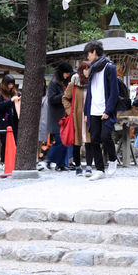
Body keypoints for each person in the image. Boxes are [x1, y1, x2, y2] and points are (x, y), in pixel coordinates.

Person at [82, 40, 120, 180]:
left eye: (89, 53)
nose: (88, 57)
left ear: (95, 52)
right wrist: (86, 112)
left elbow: (114, 93)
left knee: (105, 136)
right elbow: (90, 93)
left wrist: (108, 111)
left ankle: (112, 160)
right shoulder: (91, 68)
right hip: (93, 110)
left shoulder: (109, 67)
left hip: (105, 109)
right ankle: (99, 170)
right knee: (94, 140)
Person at [63, 62, 93, 177]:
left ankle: (89, 166)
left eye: (89, 69)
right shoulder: (74, 83)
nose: (87, 72)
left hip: (89, 116)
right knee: (77, 142)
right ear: (81, 70)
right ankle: (78, 166)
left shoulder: (92, 83)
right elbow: (65, 98)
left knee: (89, 141)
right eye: (85, 69)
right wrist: (70, 112)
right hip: (76, 117)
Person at [44, 62, 74, 171]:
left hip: (64, 116)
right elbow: (51, 99)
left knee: (65, 140)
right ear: (61, 72)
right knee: (60, 140)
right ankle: (49, 159)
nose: (67, 75)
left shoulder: (65, 82)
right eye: (66, 73)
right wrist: (65, 95)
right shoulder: (53, 83)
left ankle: (61, 164)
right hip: (56, 116)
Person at [0, 74, 20, 160]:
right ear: (5, 83)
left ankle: (13, 159)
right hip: (4, 120)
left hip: (14, 121)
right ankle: (4, 160)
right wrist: (10, 101)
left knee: (15, 140)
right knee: (5, 141)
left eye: (12, 84)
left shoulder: (15, 93)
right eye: (9, 84)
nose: (11, 86)